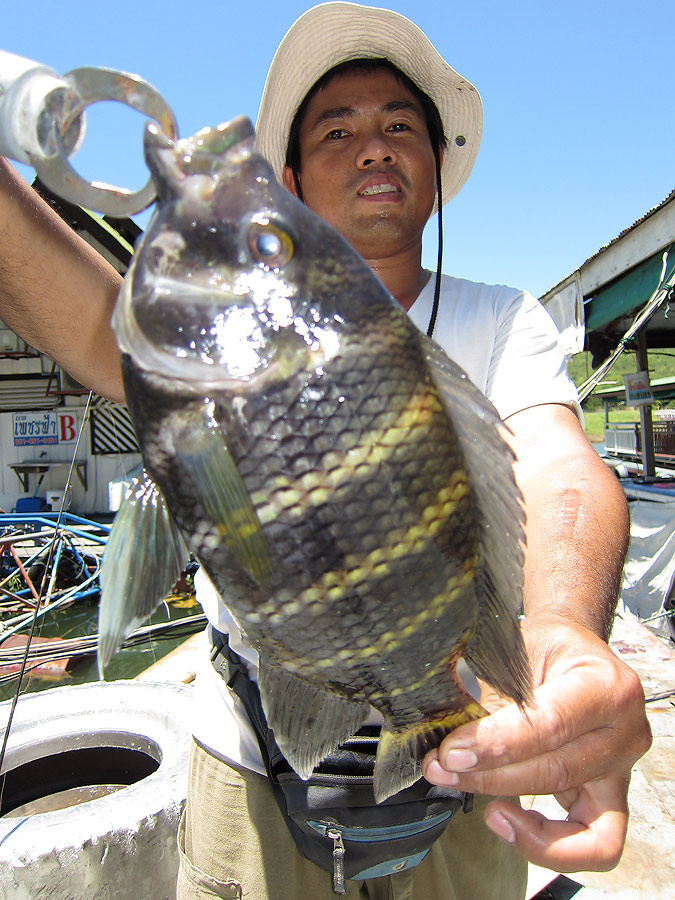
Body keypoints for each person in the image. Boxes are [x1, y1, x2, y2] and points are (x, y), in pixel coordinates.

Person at [0, 4, 651, 899]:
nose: (374, 146)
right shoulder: (218, 332)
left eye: (399, 126)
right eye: (337, 129)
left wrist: (565, 633)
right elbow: (91, 323)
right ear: (296, 179)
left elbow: (557, 466)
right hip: (249, 764)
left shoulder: (500, 319)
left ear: (432, 164)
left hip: (466, 756)